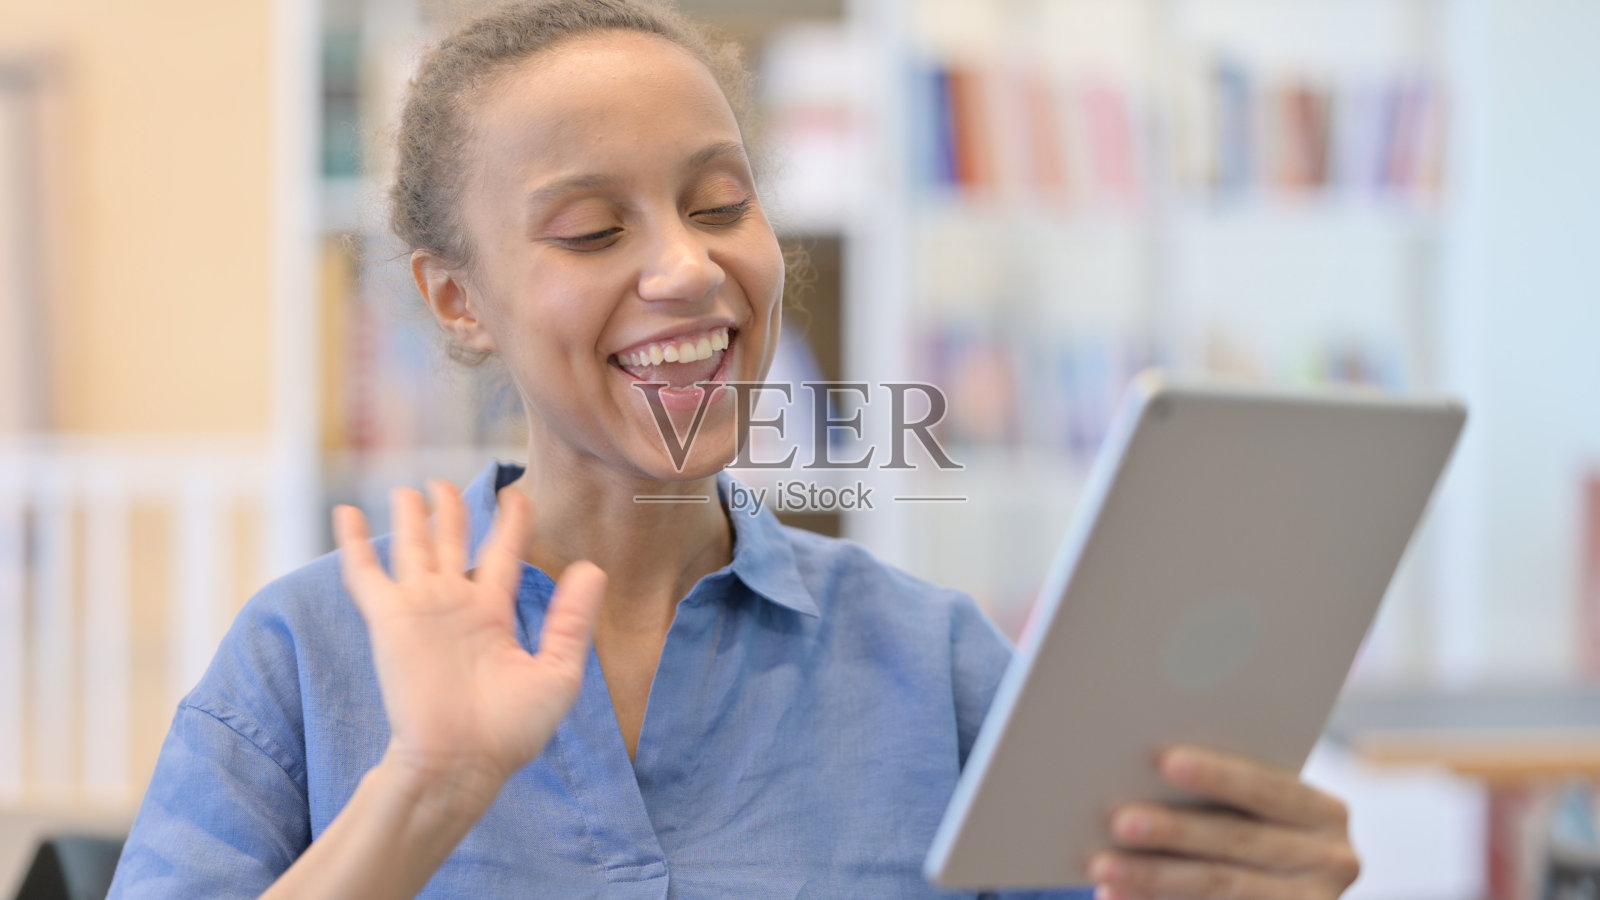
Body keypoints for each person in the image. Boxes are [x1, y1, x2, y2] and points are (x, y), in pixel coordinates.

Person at [108, 1, 1362, 897]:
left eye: (720, 204)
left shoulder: (939, 667)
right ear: (456, 299)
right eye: (593, 231)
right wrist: (427, 788)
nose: (687, 267)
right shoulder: (305, 658)